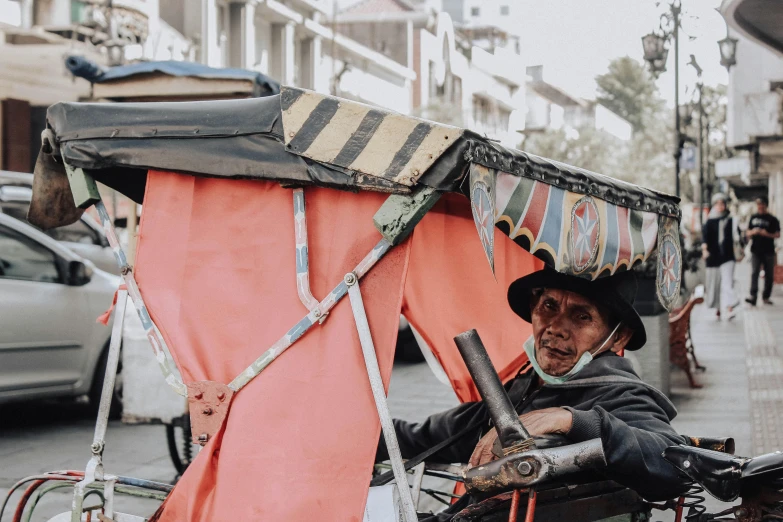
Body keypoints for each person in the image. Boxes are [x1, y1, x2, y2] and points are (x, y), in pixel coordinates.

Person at [376, 268, 689, 518]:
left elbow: (673, 460)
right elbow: (429, 436)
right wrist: (357, 435)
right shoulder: (525, 388)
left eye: (582, 317)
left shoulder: (621, 396)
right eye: (549, 306)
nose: (555, 327)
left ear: (618, 337)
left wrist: (568, 419)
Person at [701, 193, 740, 320]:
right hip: (713, 257)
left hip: (728, 256)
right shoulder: (709, 220)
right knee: (715, 284)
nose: (720, 206)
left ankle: (730, 308)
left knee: (727, 283)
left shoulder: (731, 219)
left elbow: (737, 237)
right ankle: (718, 309)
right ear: (714, 205)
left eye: (722, 203)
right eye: (717, 204)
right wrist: (705, 250)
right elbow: (705, 238)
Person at [744, 196, 780, 306]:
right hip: (755, 250)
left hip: (769, 250)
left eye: (762, 204)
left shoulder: (773, 219)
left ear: (766, 205)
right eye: (759, 204)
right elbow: (747, 232)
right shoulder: (753, 217)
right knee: (754, 272)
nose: (760, 207)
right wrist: (753, 232)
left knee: (769, 274)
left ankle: (766, 296)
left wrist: (766, 234)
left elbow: (778, 234)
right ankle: (753, 296)